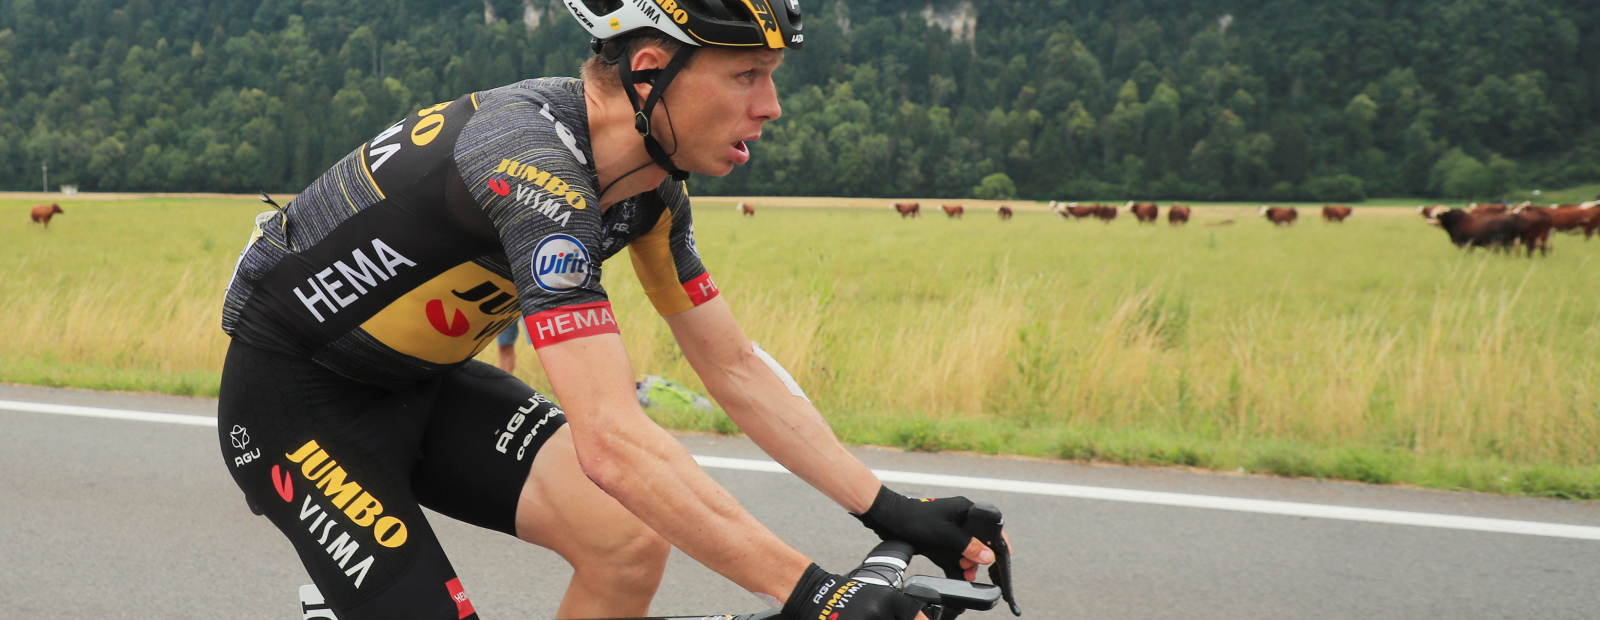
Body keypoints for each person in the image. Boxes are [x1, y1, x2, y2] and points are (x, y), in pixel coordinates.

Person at [215, 1, 1004, 619]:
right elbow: (614, 444)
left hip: (428, 385)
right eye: (746, 75)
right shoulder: (530, 165)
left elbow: (729, 364)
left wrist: (888, 507)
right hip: (298, 406)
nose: (771, 107)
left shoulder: (652, 190)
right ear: (651, 71)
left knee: (627, 546)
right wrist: (811, 592)